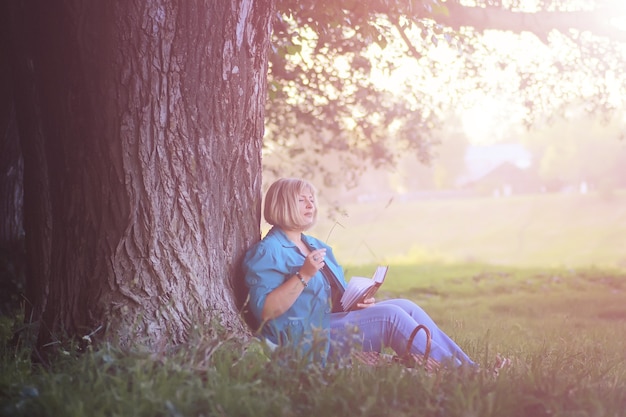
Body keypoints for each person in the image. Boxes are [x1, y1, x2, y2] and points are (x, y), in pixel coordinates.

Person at [242, 177, 475, 367]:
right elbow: (266, 310)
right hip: (303, 339)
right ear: (281, 205)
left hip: (326, 322)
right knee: (390, 317)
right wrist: (303, 275)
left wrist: (354, 304)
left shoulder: (314, 244)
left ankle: (470, 368)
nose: (310, 205)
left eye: (311, 199)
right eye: (301, 200)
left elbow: (330, 303)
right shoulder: (268, 251)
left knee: (405, 306)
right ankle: (458, 374)